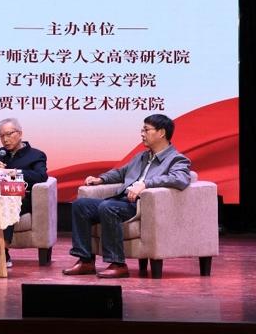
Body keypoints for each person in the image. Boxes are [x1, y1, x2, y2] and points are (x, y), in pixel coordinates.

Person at [63, 114, 192, 279]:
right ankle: (86, 261)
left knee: (108, 207)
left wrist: (146, 184)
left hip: (142, 206)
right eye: (142, 130)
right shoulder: (142, 156)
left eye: (146, 130)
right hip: (123, 201)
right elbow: (121, 173)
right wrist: (101, 179)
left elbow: (180, 179)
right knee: (80, 205)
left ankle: (118, 264)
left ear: (161, 133)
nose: (142, 134)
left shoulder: (177, 159)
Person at [0, 118, 48, 268]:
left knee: (6, 206)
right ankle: (1, 253)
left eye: (9, 134)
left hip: (24, 198)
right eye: (1, 136)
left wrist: (12, 172)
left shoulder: (36, 155)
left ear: (20, 133)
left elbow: (41, 176)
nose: (5, 139)